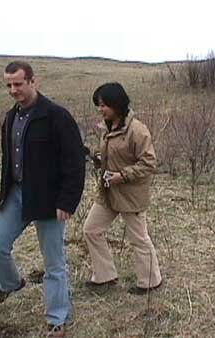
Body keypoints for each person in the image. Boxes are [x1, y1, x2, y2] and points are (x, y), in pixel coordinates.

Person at [0, 61, 85, 337]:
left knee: (53, 263)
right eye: (8, 85)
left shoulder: (56, 116)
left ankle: (57, 319)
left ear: (33, 81)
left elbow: (75, 160)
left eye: (18, 84)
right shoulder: (10, 117)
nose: (13, 90)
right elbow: (10, 161)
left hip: (49, 200)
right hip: (16, 194)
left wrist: (67, 201)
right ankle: (11, 284)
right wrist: (5, 193)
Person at [83, 82, 162, 295]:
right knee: (91, 230)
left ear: (116, 104)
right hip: (108, 192)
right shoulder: (106, 128)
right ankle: (105, 276)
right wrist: (98, 157)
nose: (100, 110)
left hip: (130, 194)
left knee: (139, 239)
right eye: (98, 105)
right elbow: (113, 155)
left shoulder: (137, 130)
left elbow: (149, 163)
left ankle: (150, 282)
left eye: (103, 105)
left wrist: (122, 175)